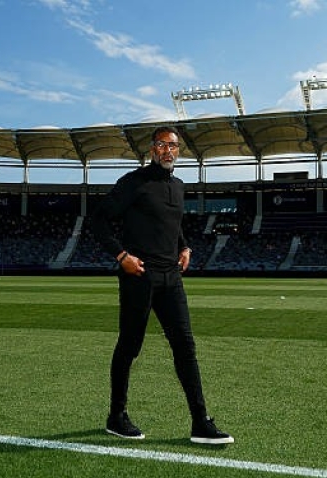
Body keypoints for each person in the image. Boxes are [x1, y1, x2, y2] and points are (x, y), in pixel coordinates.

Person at [92, 125, 234, 445]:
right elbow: (98, 220)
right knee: (130, 346)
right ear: (152, 149)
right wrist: (121, 255)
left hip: (171, 278)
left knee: (185, 346)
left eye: (173, 146)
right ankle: (117, 416)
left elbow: (172, 224)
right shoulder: (134, 182)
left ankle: (200, 422)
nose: (168, 151)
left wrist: (184, 246)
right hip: (139, 276)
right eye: (162, 145)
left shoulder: (179, 186)